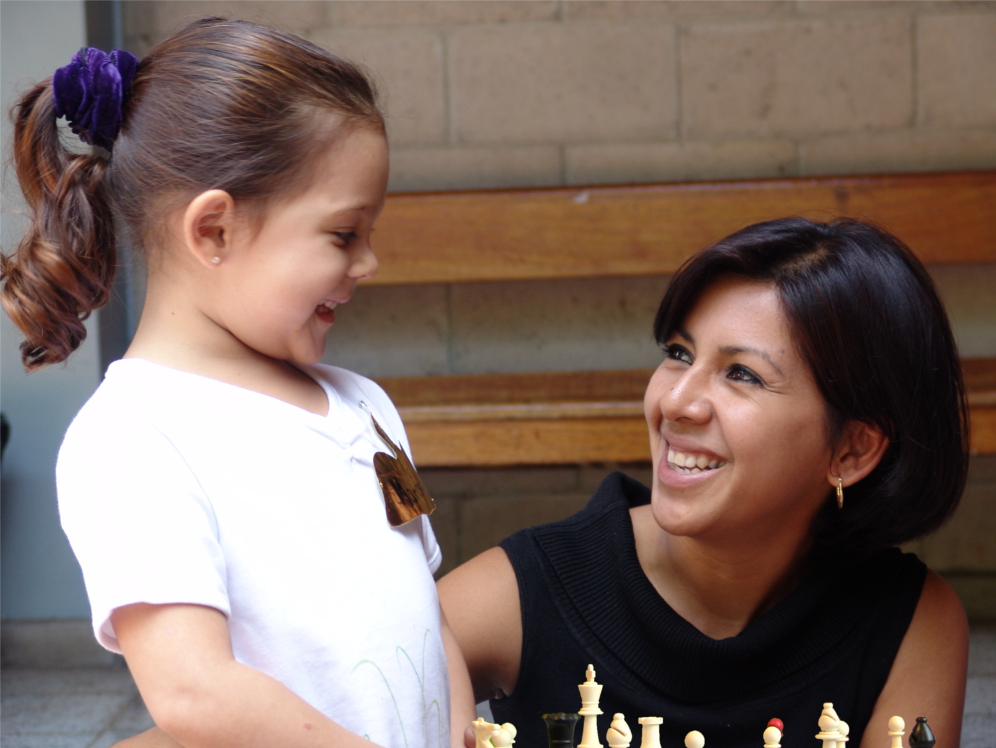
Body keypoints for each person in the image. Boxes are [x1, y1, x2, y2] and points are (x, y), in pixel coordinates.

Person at [2, 18, 473, 748]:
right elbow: (195, 691)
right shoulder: (131, 439)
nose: (369, 263)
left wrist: (464, 725)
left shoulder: (367, 408)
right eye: (345, 234)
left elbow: (425, 609)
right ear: (214, 230)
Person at [439, 218, 970, 748]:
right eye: (679, 354)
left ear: (852, 450)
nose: (674, 402)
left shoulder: (909, 623)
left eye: (742, 373)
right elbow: (366, 666)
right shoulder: (531, 587)